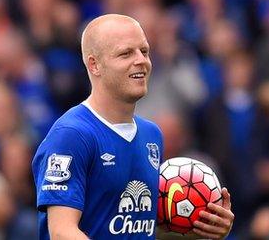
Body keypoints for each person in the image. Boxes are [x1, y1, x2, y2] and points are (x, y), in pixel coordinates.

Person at [32, 14, 235, 239]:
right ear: (94, 64)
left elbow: (138, 225)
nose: (141, 60)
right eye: (125, 53)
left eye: (144, 51)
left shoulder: (151, 135)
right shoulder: (71, 135)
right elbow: (62, 232)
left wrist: (205, 225)